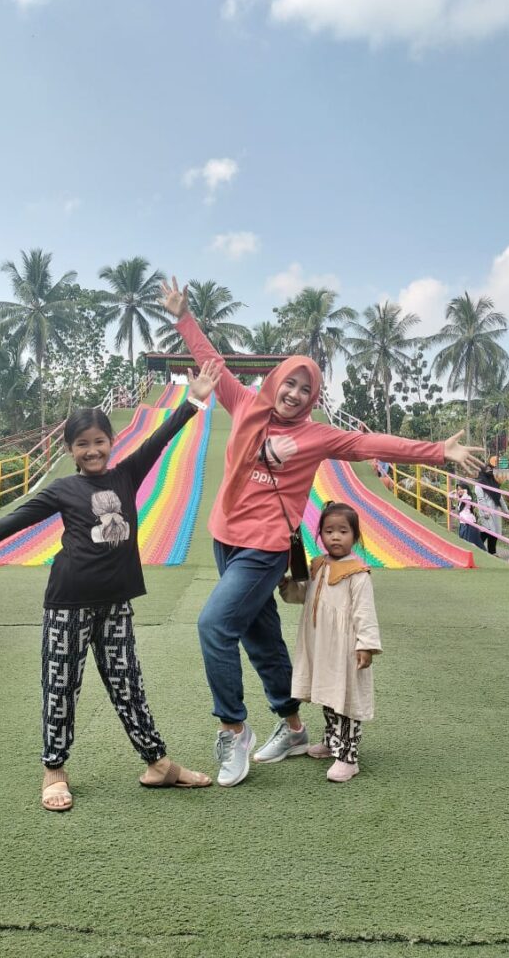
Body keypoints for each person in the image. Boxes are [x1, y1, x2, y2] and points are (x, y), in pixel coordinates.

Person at [159, 276, 484, 788]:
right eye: (289, 383)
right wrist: (183, 317)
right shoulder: (244, 404)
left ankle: (233, 728)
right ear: (276, 382)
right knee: (261, 635)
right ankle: (291, 727)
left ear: (313, 398)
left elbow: (371, 441)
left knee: (214, 626)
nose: (293, 393)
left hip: (265, 547)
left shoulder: (316, 435)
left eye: (306, 389)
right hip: (225, 537)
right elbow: (211, 360)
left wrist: (437, 451)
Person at [0, 361, 222, 811]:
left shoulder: (127, 475)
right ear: (69, 449)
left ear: (111, 442)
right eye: (82, 444)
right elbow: (14, 519)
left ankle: (157, 764)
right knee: (60, 686)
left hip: (116, 604)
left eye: (99, 441)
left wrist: (194, 400)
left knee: (129, 684)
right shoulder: (62, 490)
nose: (92, 450)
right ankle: (54, 769)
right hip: (68, 604)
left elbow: (159, 440)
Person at [279, 502, 380, 783]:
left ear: (355, 536)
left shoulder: (357, 574)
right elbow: (303, 596)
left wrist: (366, 645)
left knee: (344, 699)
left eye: (343, 531)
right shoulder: (319, 566)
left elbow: (365, 613)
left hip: (345, 649)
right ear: (320, 535)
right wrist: (286, 585)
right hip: (321, 646)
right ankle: (331, 740)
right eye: (329, 531)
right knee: (328, 693)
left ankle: (348, 756)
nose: (336, 537)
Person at [475, 463, 509, 555]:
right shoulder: (479, 484)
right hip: (486, 511)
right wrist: (485, 511)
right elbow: (481, 499)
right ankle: (478, 547)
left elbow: (500, 497)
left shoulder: (494, 483)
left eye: (490, 469)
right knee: (487, 530)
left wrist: (506, 511)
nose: (489, 471)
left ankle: (492, 551)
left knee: (495, 531)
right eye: (487, 469)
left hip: (496, 509)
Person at [454, 481, 485, 549]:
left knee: (471, 543)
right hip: (464, 522)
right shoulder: (461, 498)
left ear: (466, 489)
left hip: (469, 523)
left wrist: (463, 492)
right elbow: (449, 494)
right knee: (466, 543)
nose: (460, 491)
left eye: (462, 489)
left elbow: (463, 497)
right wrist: (456, 491)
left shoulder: (468, 497)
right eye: (458, 489)